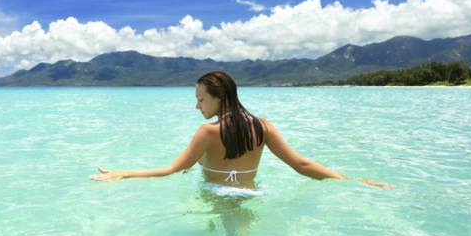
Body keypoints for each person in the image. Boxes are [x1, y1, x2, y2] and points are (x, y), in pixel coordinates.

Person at [90, 70, 391, 189]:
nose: (197, 106)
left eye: (201, 99)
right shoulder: (263, 126)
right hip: (250, 194)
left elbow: (171, 170)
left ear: (219, 98)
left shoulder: (206, 133)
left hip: (216, 196)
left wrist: (124, 173)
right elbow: (301, 165)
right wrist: (350, 181)